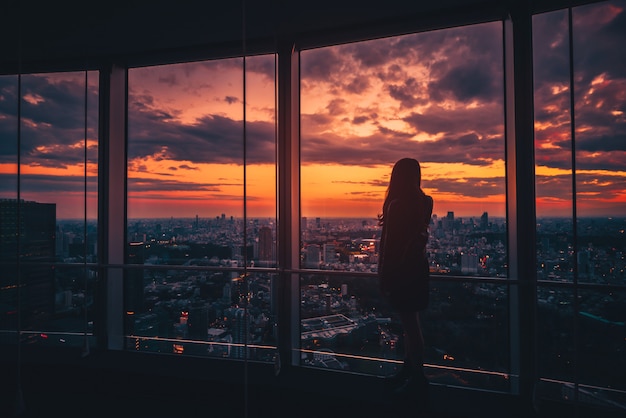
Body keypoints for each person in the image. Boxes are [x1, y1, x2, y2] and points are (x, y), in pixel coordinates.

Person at [377, 157, 433, 405]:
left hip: (400, 272)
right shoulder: (426, 202)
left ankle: (417, 378)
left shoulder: (397, 204)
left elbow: (389, 245)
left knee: (410, 326)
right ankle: (410, 372)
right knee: (412, 325)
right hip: (418, 269)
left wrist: (384, 274)